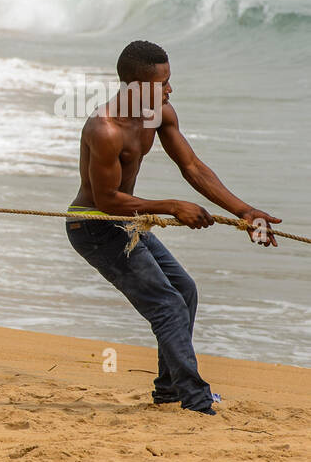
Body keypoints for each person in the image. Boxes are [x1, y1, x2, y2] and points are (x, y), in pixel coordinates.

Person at [66, 40, 280, 415]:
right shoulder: (106, 129)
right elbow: (106, 201)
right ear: (135, 86)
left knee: (184, 291)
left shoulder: (159, 113)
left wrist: (245, 212)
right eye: (161, 82)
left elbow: (193, 167)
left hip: (126, 222)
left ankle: (168, 391)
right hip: (94, 225)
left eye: (169, 80)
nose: (169, 89)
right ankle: (196, 400)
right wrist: (170, 205)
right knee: (167, 306)